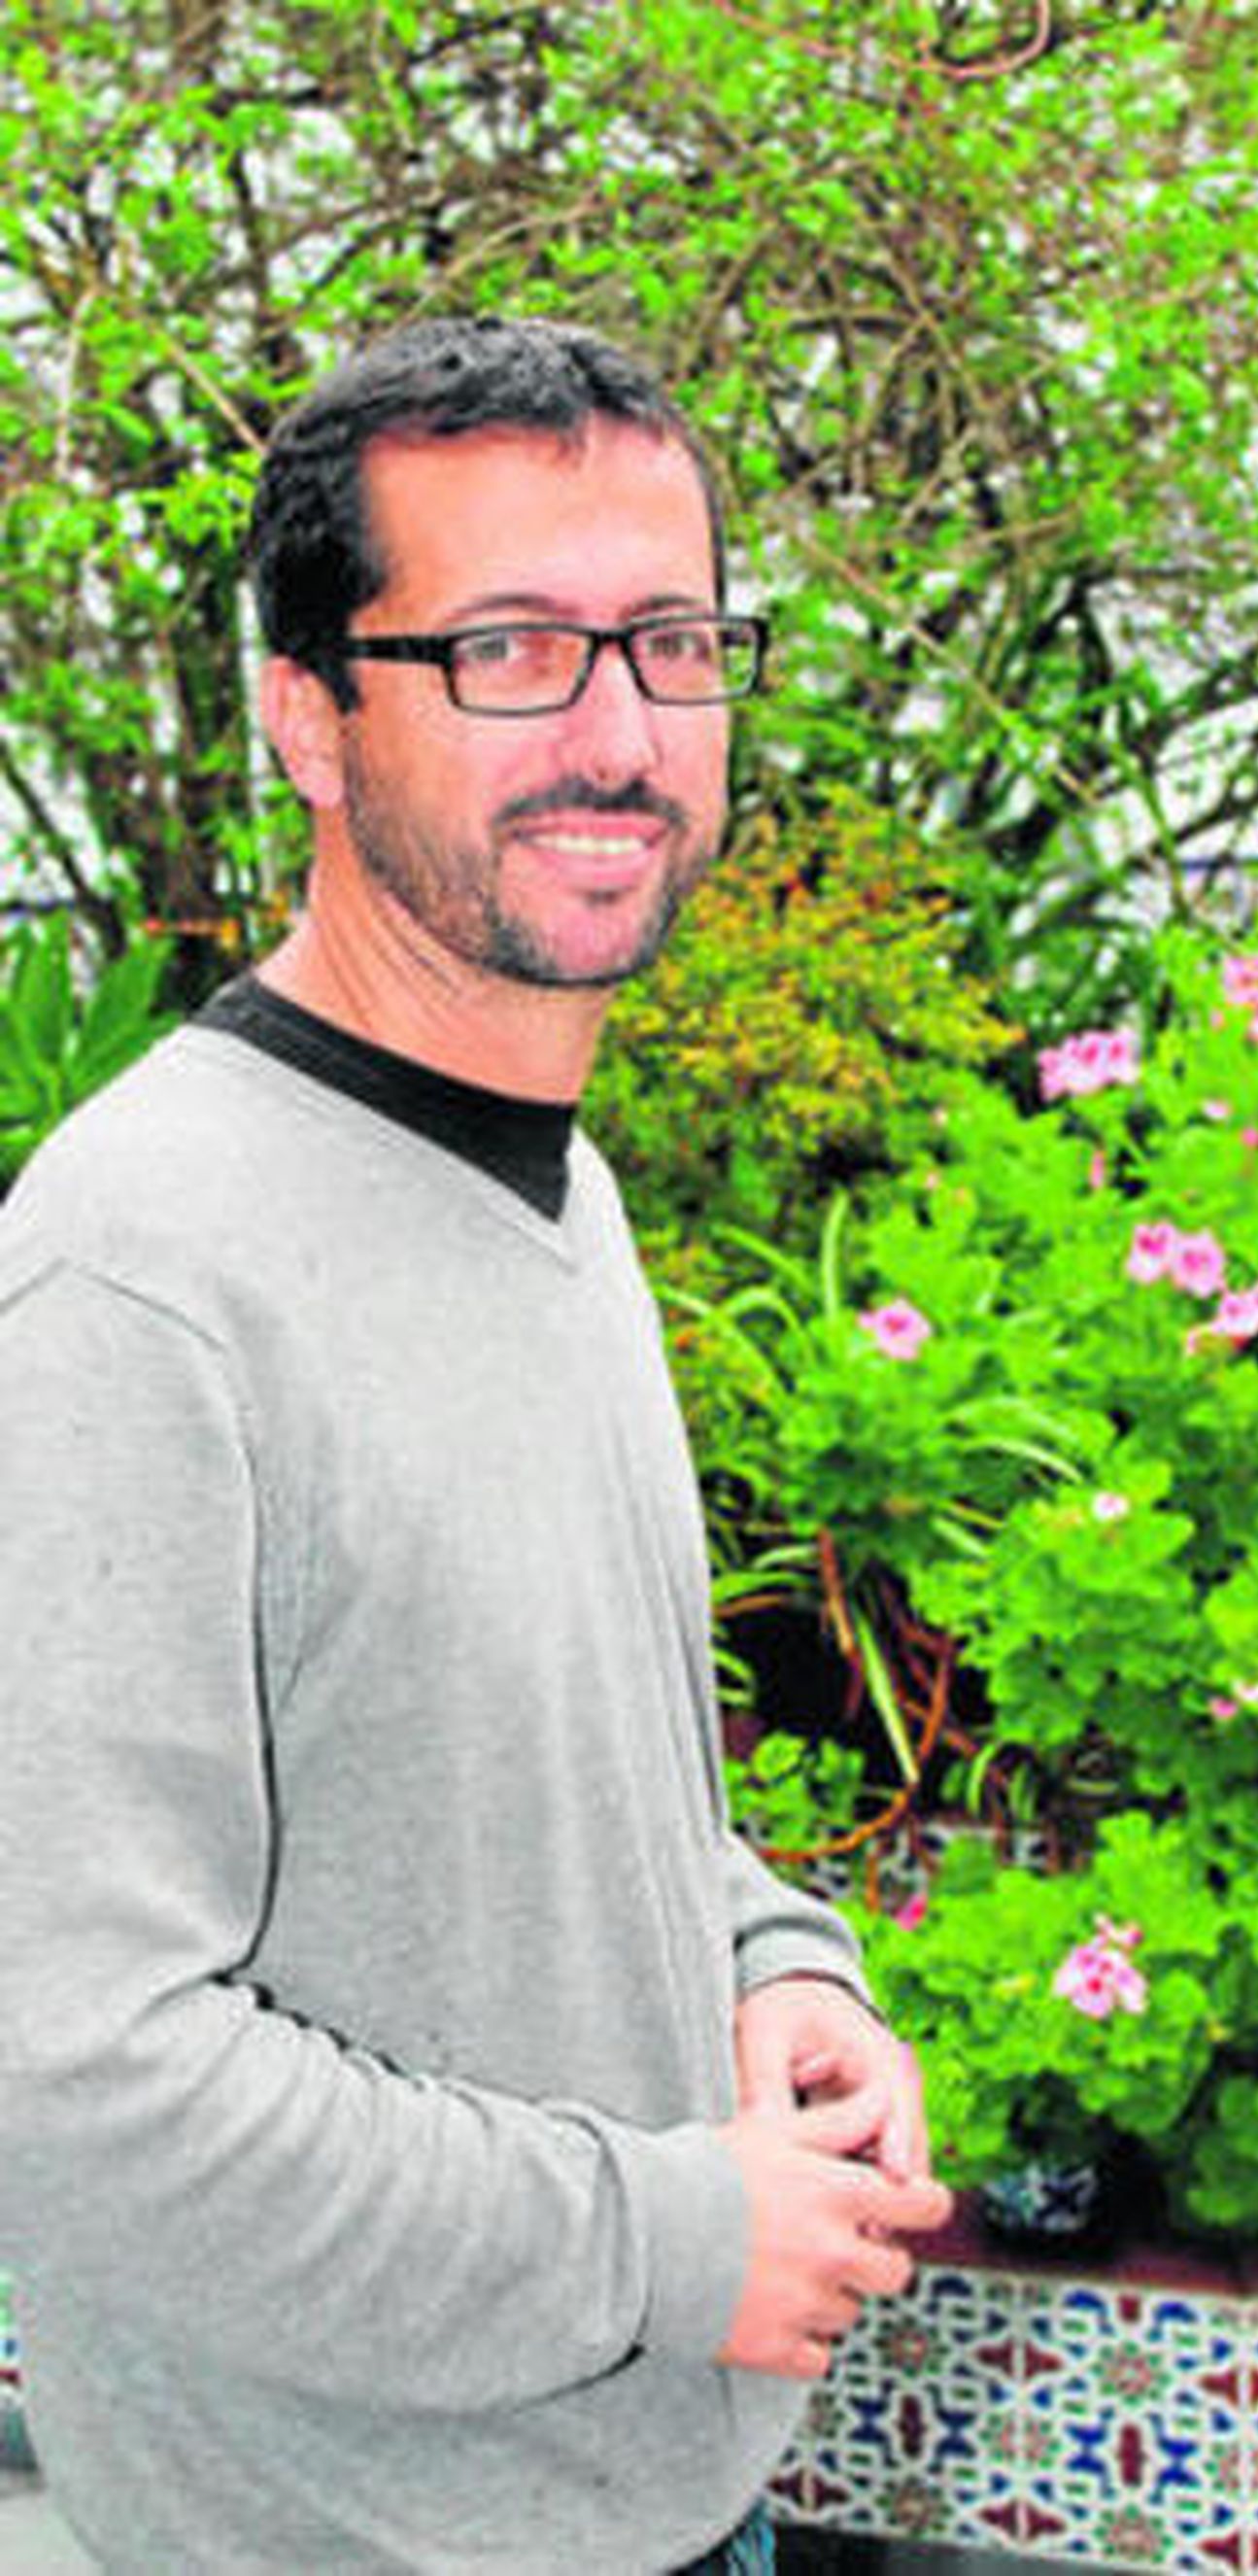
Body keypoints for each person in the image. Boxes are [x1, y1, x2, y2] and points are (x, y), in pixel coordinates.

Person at [0, 316, 951, 2574]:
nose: (616, 734)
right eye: (508, 648)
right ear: (306, 712)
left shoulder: (549, 1181)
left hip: (659, 2506)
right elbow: (65, 2074)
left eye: (671, 641)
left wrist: (774, 1969)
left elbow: (546, 1786)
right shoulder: (136, 1283)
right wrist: (657, 2240)